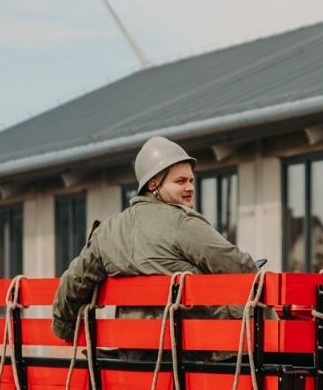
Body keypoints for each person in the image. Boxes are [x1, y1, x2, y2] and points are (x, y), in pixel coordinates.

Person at [51, 136, 258, 341]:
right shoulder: (183, 223)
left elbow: (75, 281)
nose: (190, 188)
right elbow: (240, 268)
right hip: (194, 350)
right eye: (180, 181)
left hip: (131, 349)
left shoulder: (107, 231)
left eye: (191, 180)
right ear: (153, 185)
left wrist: (65, 328)